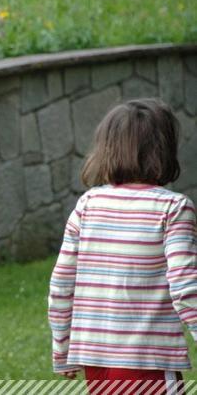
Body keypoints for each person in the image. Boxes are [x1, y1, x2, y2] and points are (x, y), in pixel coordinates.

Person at [48, 98, 196, 394]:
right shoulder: (173, 208)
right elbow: (185, 286)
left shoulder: (88, 204)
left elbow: (61, 285)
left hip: (95, 362)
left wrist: (62, 349)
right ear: (165, 149)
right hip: (148, 361)